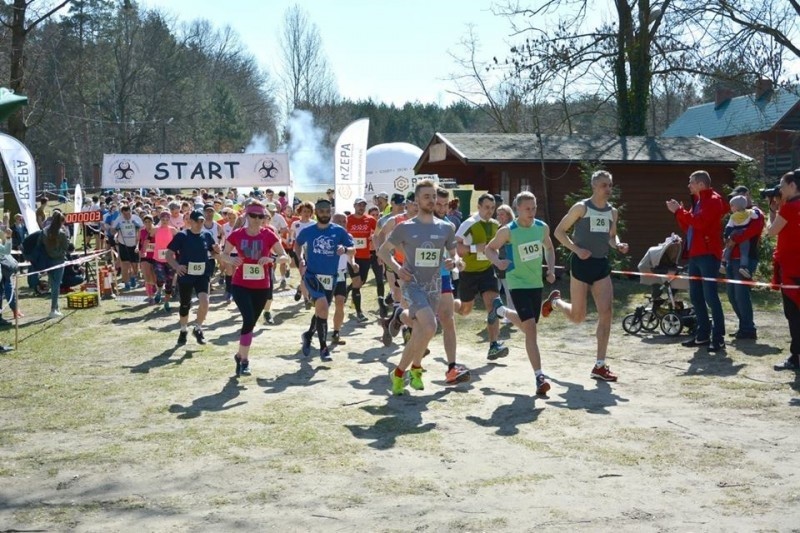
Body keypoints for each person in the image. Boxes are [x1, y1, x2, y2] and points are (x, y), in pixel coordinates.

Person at [544, 170, 628, 382]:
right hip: (581, 264)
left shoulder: (612, 212)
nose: (608, 189)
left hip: (600, 265)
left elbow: (610, 236)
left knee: (606, 312)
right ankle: (556, 302)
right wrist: (576, 250)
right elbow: (559, 232)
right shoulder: (581, 207)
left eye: (610, 185)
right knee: (578, 317)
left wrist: (617, 244)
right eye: (603, 185)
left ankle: (600, 365)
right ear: (594, 187)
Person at [378, 179, 458, 395]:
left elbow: (455, 255)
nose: (431, 200)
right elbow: (383, 251)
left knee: (420, 332)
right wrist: (396, 267)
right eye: (426, 197)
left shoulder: (446, 228)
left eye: (433, 196)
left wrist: (454, 262)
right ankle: (416, 369)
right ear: (416, 200)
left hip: (434, 286)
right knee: (431, 326)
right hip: (412, 285)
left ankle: (398, 373)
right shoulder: (405, 227)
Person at [486, 191, 557, 395]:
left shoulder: (541, 228)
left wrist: (551, 269)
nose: (531, 212)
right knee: (531, 330)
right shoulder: (508, 230)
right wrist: (498, 262)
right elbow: (489, 249)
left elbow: (550, 248)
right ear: (517, 209)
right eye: (527, 208)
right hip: (517, 283)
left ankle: (502, 311)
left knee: (530, 327)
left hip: (536, 283)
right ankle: (539, 377)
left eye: (534, 208)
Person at [222, 201, 288, 377]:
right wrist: (230, 260)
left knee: (250, 323)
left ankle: (239, 355)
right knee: (248, 319)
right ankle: (245, 361)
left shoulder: (269, 235)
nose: (257, 219)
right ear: (246, 216)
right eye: (253, 216)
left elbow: (285, 256)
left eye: (261, 216)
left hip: (261, 286)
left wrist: (272, 260)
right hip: (240, 284)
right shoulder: (237, 234)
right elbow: (223, 253)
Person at [666, 170, 728, 352]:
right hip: (695, 253)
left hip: (708, 254)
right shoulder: (699, 201)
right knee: (696, 296)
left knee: (711, 297)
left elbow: (700, 223)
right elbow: (689, 226)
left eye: (691, 182)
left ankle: (719, 337)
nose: (689, 185)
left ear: (701, 184)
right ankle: (702, 335)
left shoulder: (713, 200)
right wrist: (680, 213)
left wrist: (680, 211)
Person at [295, 199, 354, 362]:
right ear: (316, 213)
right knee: (322, 306)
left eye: (328, 211)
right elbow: (297, 244)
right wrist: (300, 258)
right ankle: (323, 348)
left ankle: (308, 335)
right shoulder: (309, 231)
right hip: (312, 275)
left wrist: (346, 250)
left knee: (322, 310)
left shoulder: (339, 231)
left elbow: (353, 248)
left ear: (331, 212)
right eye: (321, 211)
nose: (325, 214)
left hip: (331, 278)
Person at [454, 193, 508, 360]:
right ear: (478, 207)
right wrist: (473, 248)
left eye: (492, 208)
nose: (489, 211)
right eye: (486, 208)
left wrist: (496, 254)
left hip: (486, 271)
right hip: (468, 273)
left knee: (493, 306)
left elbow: (493, 247)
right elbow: (455, 247)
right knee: (465, 310)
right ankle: (449, 305)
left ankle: (494, 345)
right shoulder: (469, 223)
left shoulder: (495, 225)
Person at [165, 210, 219, 345]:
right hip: (186, 274)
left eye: (202, 221)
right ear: (191, 222)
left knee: (205, 301)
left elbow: (214, 254)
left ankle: (198, 328)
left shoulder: (207, 235)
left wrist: (220, 252)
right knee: (185, 304)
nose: (200, 223)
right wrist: (177, 266)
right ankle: (183, 330)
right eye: (198, 221)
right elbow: (168, 255)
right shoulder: (182, 236)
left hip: (202, 274)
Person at [434, 187, 470, 384]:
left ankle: (451, 368)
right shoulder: (419, 223)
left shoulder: (449, 225)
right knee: (422, 325)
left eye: (445, 205)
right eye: (438, 204)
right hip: (420, 281)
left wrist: (456, 262)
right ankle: (398, 317)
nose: (441, 208)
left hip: (443, 278)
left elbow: (454, 253)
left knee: (448, 320)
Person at [767, 169, 800, 371]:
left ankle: (795, 357)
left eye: (782, 184)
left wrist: (773, 210)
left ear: (793, 186)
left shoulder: (789, 209)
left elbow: (771, 232)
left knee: (794, 314)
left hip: (791, 268)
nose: (779, 188)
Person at [346, 197, 378, 323]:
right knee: (357, 282)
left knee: (361, 282)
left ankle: (349, 290)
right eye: (359, 205)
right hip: (351, 256)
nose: (361, 207)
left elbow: (378, 233)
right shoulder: (348, 220)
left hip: (365, 256)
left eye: (363, 205)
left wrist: (373, 239)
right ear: (354, 206)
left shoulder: (370, 220)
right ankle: (359, 312)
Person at [42, 210, 70, 319]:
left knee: (54, 284)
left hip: (48, 260)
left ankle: (56, 307)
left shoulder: (44, 231)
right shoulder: (61, 233)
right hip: (58, 260)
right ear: (61, 222)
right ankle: (53, 309)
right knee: (55, 285)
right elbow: (66, 247)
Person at [721, 195, 757, 278]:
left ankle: (723, 262)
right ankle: (743, 266)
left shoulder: (733, 216)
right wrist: (752, 211)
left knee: (728, 248)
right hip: (744, 233)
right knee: (744, 252)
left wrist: (727, 236)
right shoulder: (749, 212)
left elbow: (729, 227)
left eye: (732, 206)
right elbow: (756, 216)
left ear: (736, 206)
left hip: (734, 232)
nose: (731, 208)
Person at [112, 204, 143, 291]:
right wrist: (116, 229)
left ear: (130, 212)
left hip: (134, 244)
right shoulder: (119, 219)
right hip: (123, 244)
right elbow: (112, 229)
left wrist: (139, 227)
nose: (127, 216)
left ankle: (133, 277)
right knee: (125, 265)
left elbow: (143, 229)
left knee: (135, 266)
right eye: (125, 215)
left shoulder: (136, 218)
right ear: (122, 213)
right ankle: (126, 283)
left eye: (128, 214)